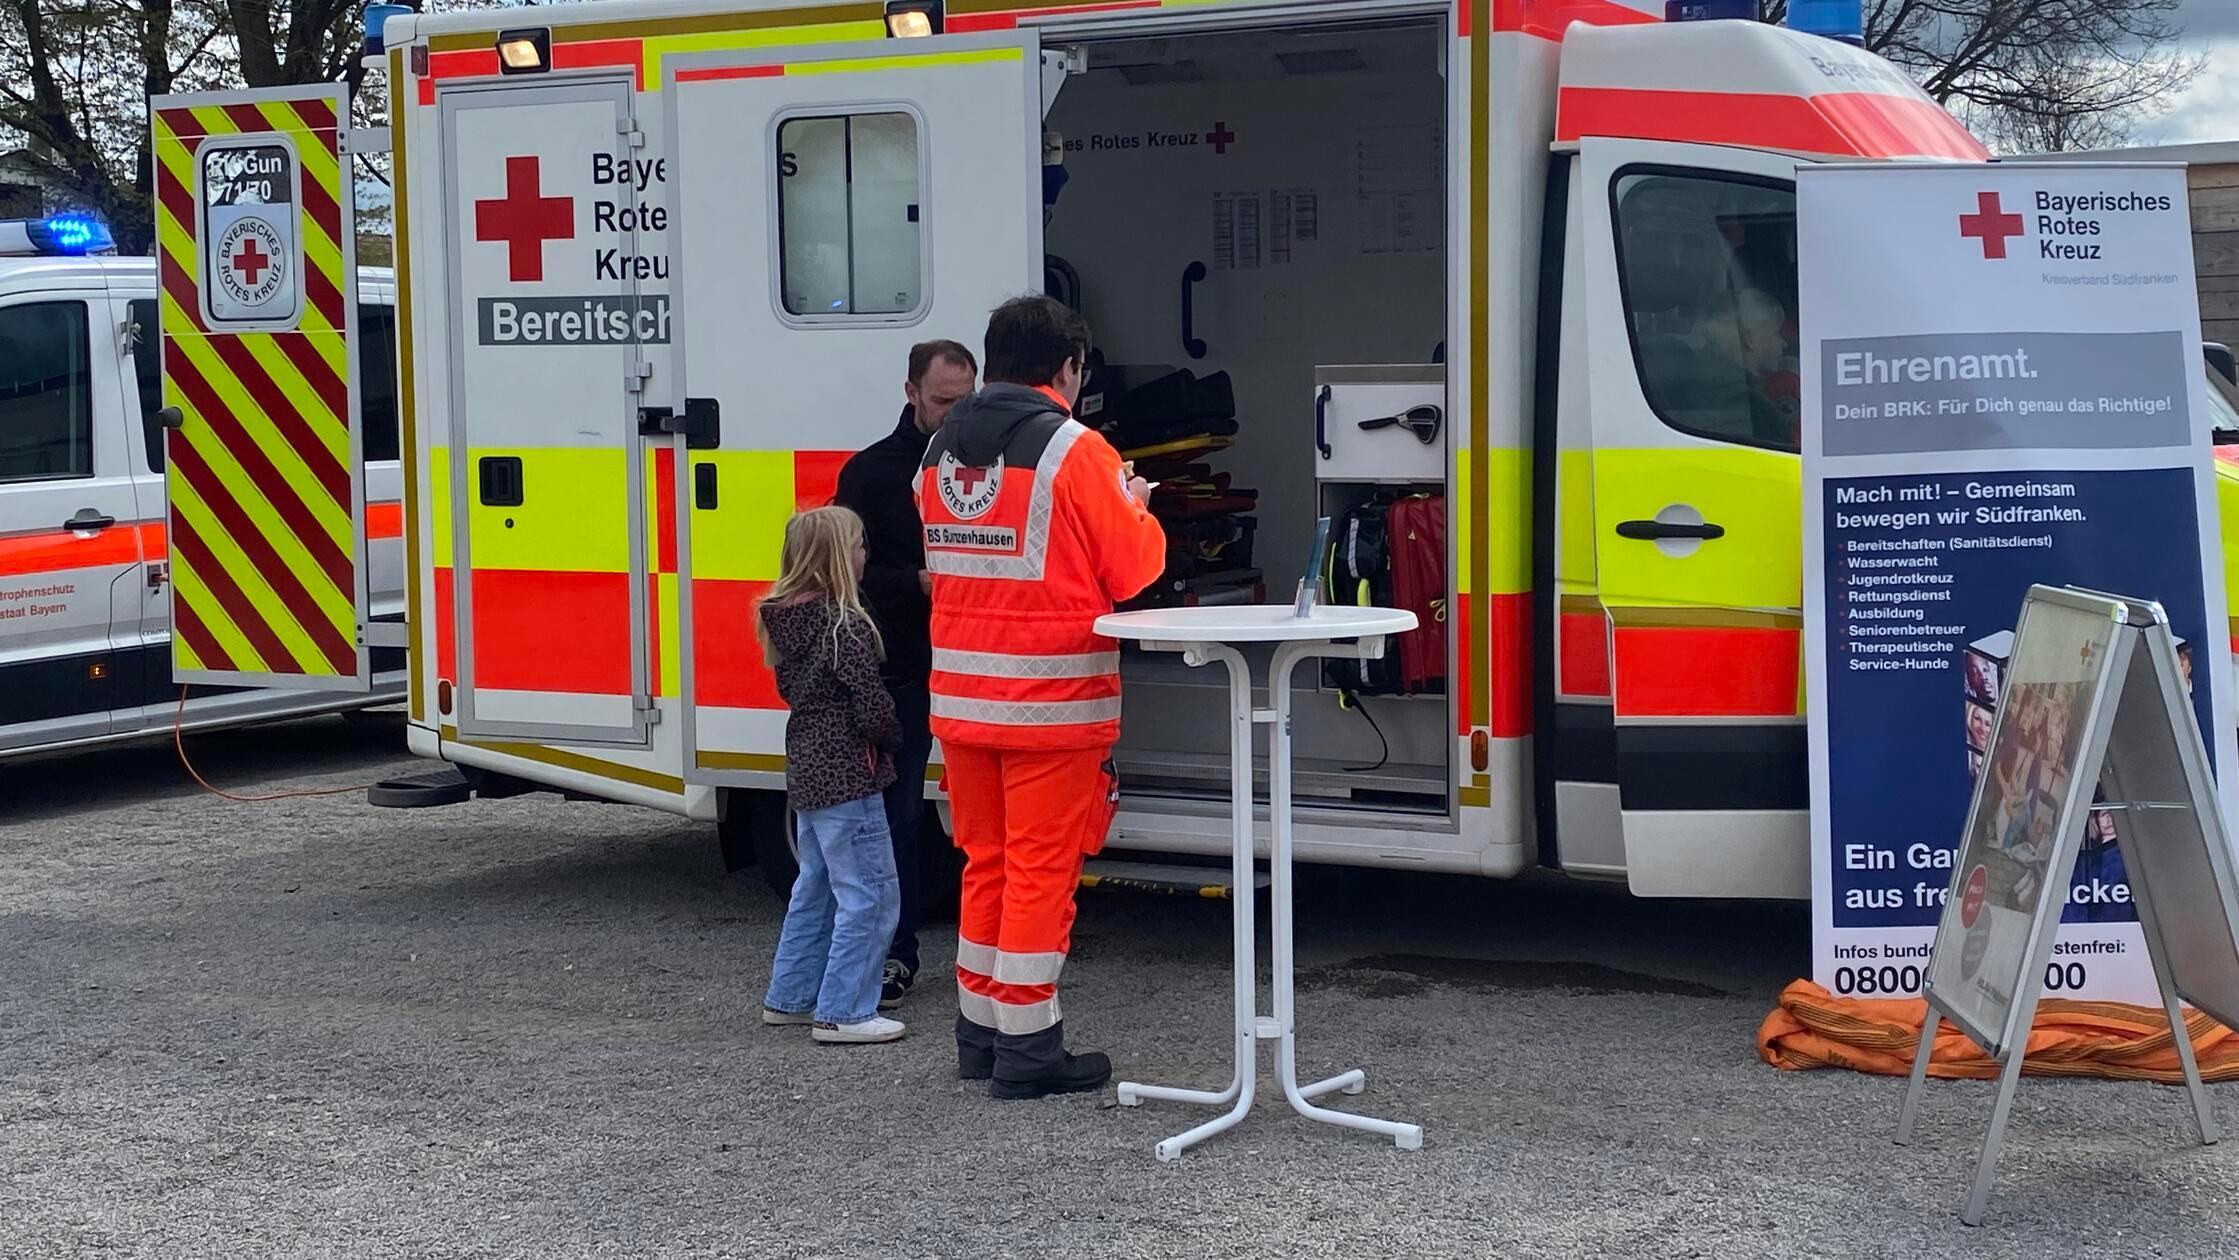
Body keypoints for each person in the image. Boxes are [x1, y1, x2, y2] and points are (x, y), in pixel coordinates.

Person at [917, 295, 1167, 1099]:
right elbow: (1132, 573)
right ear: (1068, 368)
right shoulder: (1077, 449)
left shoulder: (938, 452)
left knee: (984, 866)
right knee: (1037, 873)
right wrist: (1138, 507)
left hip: (962, 700)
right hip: (1051, 705)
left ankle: (980, 1034)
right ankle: (1028, 1049)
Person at [834, 340, 979, 1011]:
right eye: (942, 401)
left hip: (978, 659)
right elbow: (844, 576)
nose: (953, 414)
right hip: (905, 665)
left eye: (964, 402)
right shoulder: (869, 473)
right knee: (896, 822)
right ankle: (894, 957)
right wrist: (913, 582)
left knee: (986, 822)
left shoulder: (981, 465)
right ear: (911, 392)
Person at [757, 506, 907, 1046]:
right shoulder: (846, 625)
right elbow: (870, 702)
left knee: (816, 885)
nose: (867, 555)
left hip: (807, 766)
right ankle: (845, 1010)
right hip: (849, 770)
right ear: (838, 560)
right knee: (871, 894)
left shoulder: (785, 622)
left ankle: (791, 995)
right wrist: (893, 737)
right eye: (860, 546)